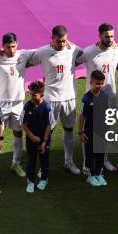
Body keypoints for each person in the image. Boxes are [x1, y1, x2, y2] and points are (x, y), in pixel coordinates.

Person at [29, 25, 84, 175]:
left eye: (64, 41)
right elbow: (26, 61)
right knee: (47, 132)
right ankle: (43, 167)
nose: (62, 44)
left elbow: (85, 56)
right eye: (59, 41)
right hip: (51, 99)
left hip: (69, 97)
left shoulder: (73, 49)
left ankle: (69, 162)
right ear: (51, 39)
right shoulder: (42, 51)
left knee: (69, 129)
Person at [0, 33, 35, 177]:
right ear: (3, 46)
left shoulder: (23, 54)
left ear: (17, 44)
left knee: (18, 133)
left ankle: (15, 163)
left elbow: (42, 51)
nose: (12, 50)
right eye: (8, 47)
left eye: (14, 46)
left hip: (18, 104)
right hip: (0, 104)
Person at [78, 23, 118, 173]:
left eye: (112, 36)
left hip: (109, 97)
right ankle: (86, 163)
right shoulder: (89, 51)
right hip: (93, 98)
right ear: (99, 35)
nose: (110, 39)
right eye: (107, 36)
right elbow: (73, 61)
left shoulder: (117, 50)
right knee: (89, 132)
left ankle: (103, 160)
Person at [21, 80, 55, 193]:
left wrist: (45, 142)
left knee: (44, 160)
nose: (31, 96)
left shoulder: (47, 107)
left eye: (34, 94)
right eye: (31, 94)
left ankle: (44, 179)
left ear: (42, 94)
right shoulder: (27, 106)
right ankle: (30, 181)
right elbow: (23, 124)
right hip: (31, 140)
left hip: (44, 140)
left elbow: (49, 126)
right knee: (31, 160)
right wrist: (32, 137)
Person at [79, 70, 109, 187]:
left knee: (100, 154)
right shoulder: (86, 99)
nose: (99, 86)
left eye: (101, 83)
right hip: (89, 132)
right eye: (97, 83)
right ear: (91, 82)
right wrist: (81, 132)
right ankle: (90, 176)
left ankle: (98, 174)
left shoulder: (104, 95)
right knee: (90, 154)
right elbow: (82, 116)